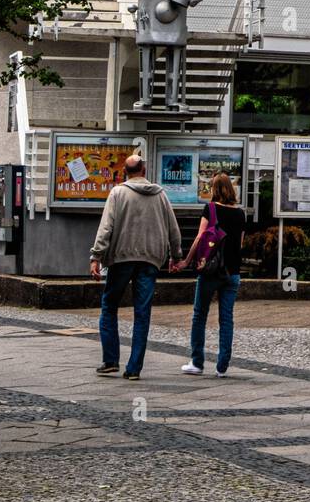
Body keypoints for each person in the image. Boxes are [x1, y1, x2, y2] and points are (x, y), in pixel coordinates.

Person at [89, 154, 182, 379]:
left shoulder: (118, 193)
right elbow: (173, 229)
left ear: (125, 171)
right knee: (142, 312)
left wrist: (96, 256)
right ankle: (134, 368)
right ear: (144, 170)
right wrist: (175, 256)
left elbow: (106, 228)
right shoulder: (160, 195)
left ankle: (111, 360)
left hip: (121, 258)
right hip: (150, 260)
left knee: (110, 305)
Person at [174, 172, 246, 378]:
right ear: (231, 189)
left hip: (210, 271)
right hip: (232, 273)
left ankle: (197, 362)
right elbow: (240, 244)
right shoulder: (240, 214)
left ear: (214, 189)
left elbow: (200, 238)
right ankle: (222, 366)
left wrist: (187, 261)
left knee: (200, 315)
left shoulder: (211, 208)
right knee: (227, 319)